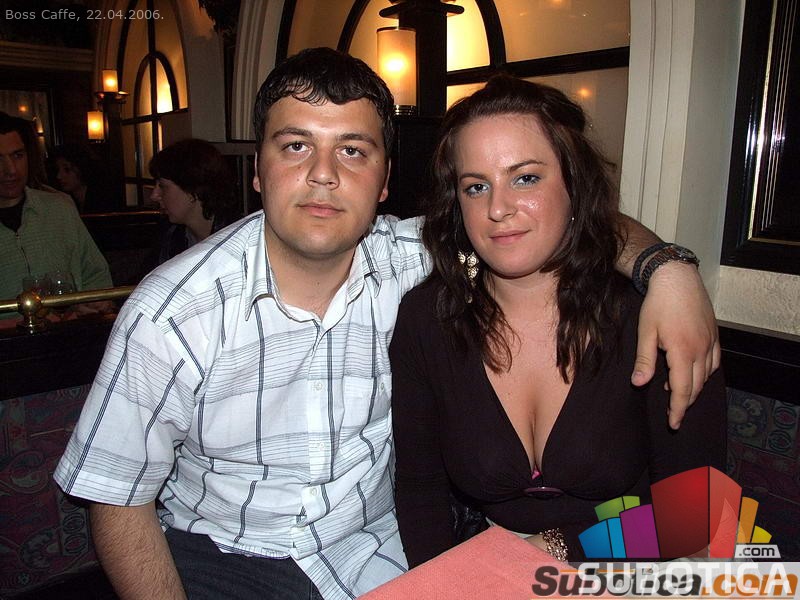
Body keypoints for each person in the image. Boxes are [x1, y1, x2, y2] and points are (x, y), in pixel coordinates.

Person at [54, 48, 719, 600]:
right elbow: (117, 499)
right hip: (226, 560)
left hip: (386, 555)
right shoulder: (174, 311)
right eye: (295, 145)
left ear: (383, 181)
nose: (322, 175)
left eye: (352, 150)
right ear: (257, 169)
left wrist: (667, 267)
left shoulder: (412, 262)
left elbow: (701, 520)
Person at [389, 75, 727, 567]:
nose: (498, 208)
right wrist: (444, 584)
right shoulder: (429, 319)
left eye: (526, 178)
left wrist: (550, 549)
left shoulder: (648, 317)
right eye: (476, 187)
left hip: (640, 566)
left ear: (574, 184)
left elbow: (696, 516)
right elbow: (421, 490)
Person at [0, 112, 112, 309]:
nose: (11, 170)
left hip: (68, 325)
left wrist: (96, 307)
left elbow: (95, 274)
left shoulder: (59, 208)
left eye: (18, 156)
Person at [148, 138, 241, 264]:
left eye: (162, 186)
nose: (154, 195)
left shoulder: (238, 242)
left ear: (191, 189)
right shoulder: (169, 239)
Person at [47, 144, 117, 213]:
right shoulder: (63, 201)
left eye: (67, 169)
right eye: (58, 169)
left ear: (81, 169)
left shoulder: (102, 200)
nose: (59, 176)